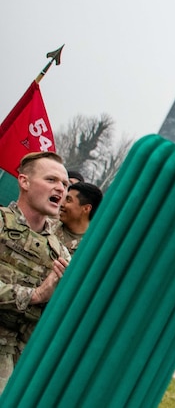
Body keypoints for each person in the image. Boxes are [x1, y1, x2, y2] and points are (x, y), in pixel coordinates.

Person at [0, 152, 72, 392]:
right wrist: (36, 295)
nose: (61, 189)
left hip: (23, 366)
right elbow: (39, 295)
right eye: (51, 180)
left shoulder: (60, 253)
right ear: (24, 182)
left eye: (65, 184)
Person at [50, 181, 103, 254]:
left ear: (86, 209)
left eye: (68, 200)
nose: (62, 204)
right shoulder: (46, 226)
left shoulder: (92, 248)